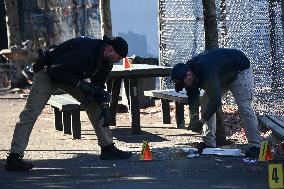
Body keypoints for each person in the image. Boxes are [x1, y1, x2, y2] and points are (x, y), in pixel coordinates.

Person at [5, 36, 132, 171]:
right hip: (48, 72)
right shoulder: (85, 50)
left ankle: (108, 148)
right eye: (118, 57)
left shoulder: (107, 62)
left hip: (70, 75)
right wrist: (80, 85)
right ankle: (14, 157)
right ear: (110, 49)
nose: (118, 61)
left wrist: (104, 107)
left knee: (94, 104)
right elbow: (56, 70)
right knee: (31, 112)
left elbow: (98, 87)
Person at [171, 48, 261, 157]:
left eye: (183, 84)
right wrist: (194, 118)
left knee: (244, 106)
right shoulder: (189, 75)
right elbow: (193, 98)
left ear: (189, 75)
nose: (184, 86)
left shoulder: (205, 69)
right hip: (221, 76)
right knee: (205, 101)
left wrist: (201, 121)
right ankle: (209, 144)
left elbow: (215, 101)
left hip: (239, 71)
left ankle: (255, 145)